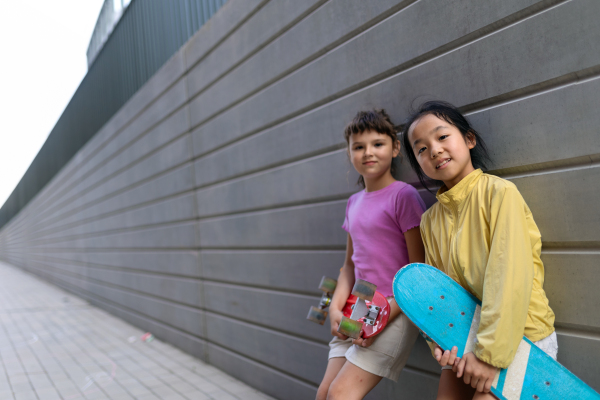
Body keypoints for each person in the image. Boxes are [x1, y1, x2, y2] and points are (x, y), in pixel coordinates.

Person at [401, 101, 557, 400]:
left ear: (469, 140)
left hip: (518, 337)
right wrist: (441, 345)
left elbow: (508, 280)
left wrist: (489, 356)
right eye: (421, 149)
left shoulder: (500, 194)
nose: (433, 150)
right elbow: (437, 292)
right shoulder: (430, 221)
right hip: (464, 340)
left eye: (442, 137)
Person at [316, 109, 426, 400]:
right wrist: (335, 311)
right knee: (325, 393)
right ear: (349, 153)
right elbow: (349, 268)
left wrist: (381, 320)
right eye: (358, 146)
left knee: (341, 394)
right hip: (359, 308)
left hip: (395, 308)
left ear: (395, 148)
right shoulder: (353, 203)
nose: (368, 152)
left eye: (377, 144)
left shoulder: (403, 196)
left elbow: (418, 269)